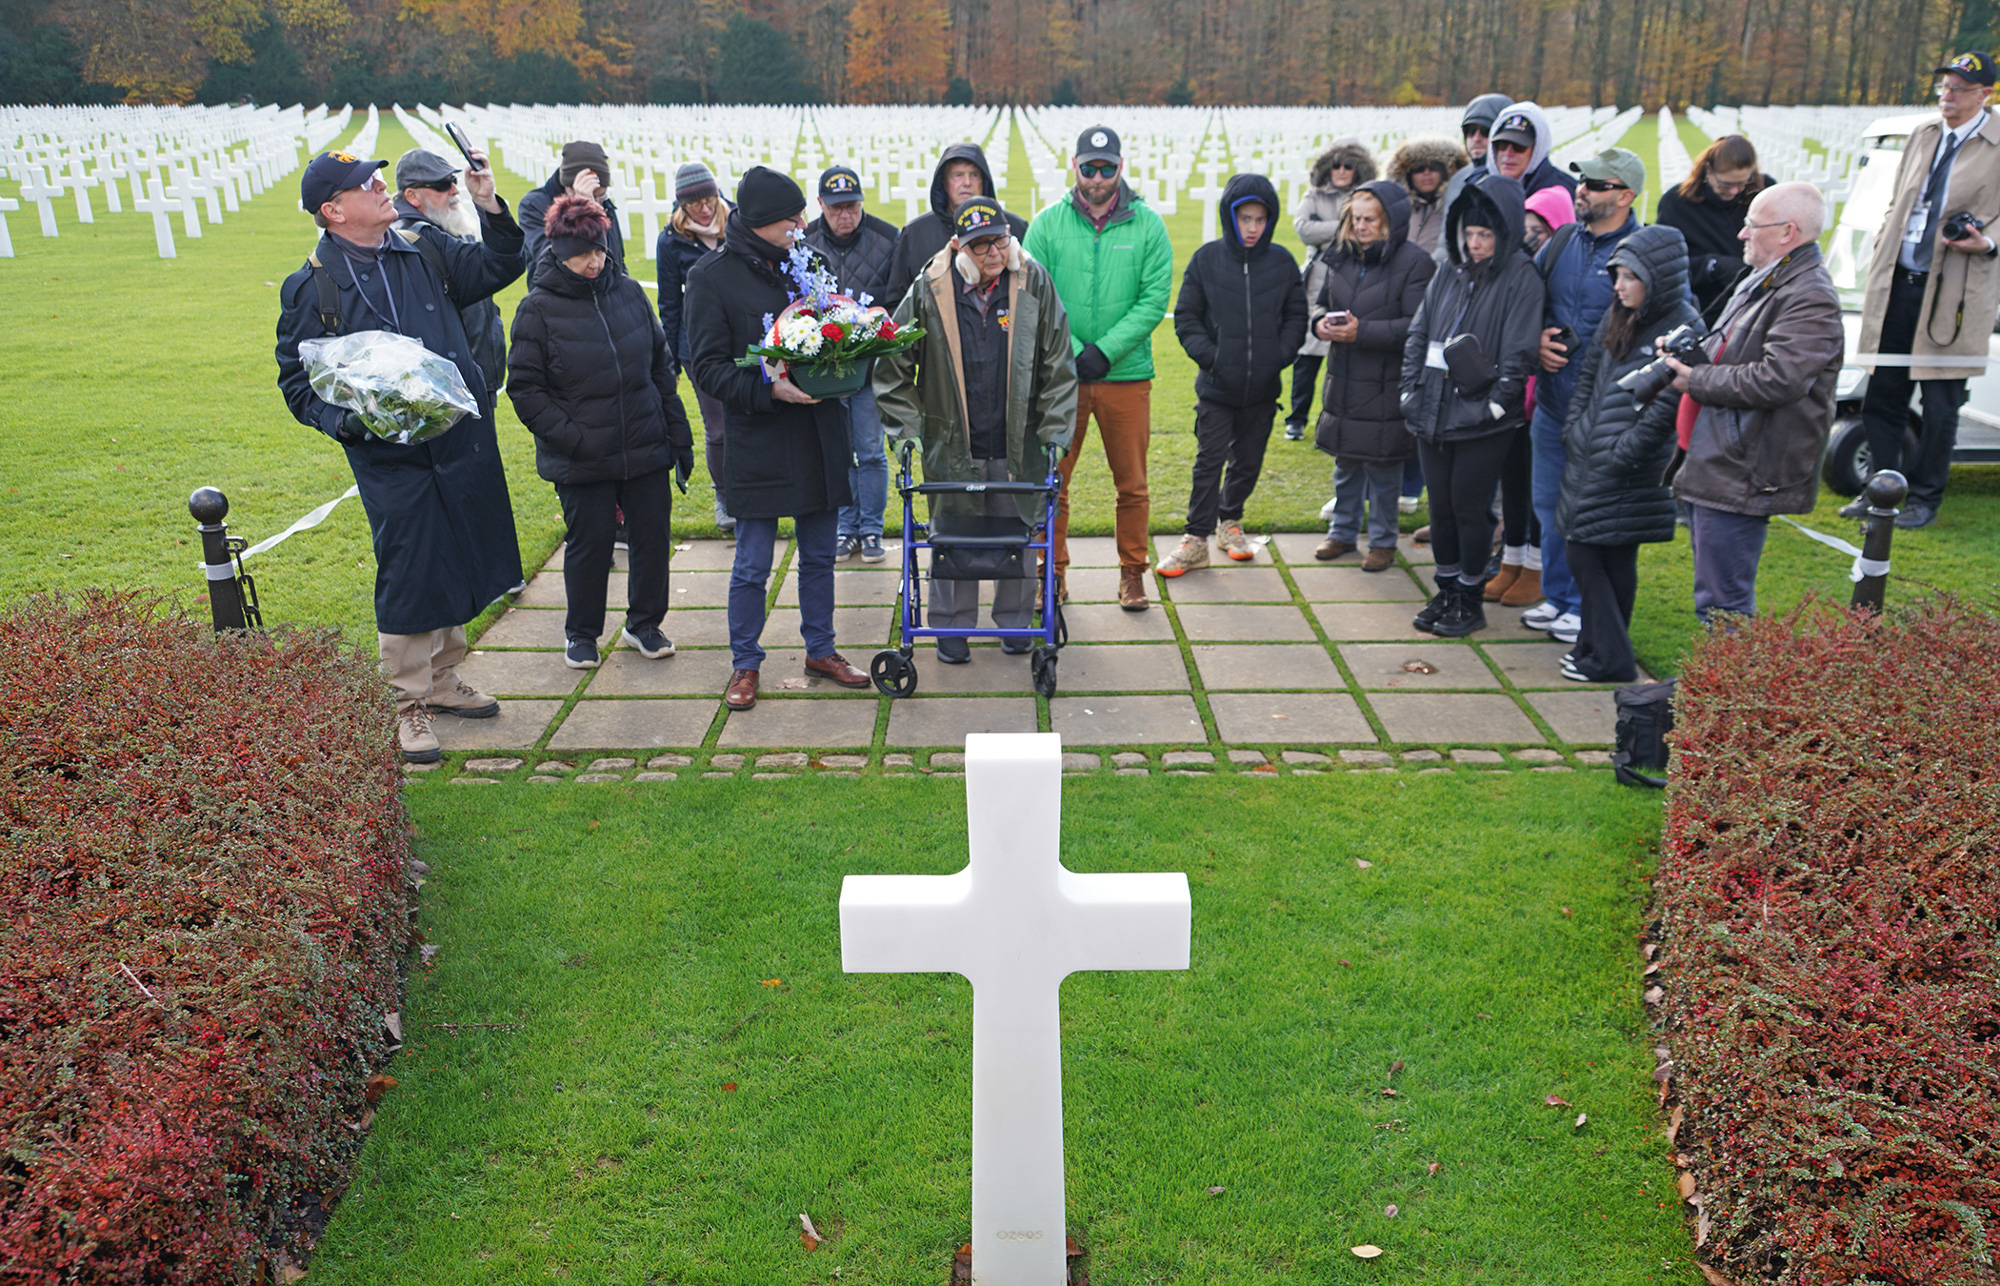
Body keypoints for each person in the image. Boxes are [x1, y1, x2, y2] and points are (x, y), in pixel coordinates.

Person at [275, 149, 527, 763]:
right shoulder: (314, 285)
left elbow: (501, 262)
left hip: (458, 439)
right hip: (390, 456)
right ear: (333, 211)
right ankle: (405, 702)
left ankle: (443, 680)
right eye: (368, 183)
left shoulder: (425, 249)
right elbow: (298, 382)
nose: (383, 186)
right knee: (412, 568)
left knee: (461, 550)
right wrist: (352, 426)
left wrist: (488, 201)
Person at [682, 167, 872, 710]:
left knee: (819, 556)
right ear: (763, 223)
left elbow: (836, 327)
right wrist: (772, 391)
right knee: (751, 563)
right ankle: (745, 663)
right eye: (793, 218)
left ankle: (822, 649)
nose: (803, 224)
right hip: (761, 435)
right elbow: (710, 369)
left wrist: (849, 357)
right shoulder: (710, 277)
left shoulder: (810, 262)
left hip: (818, 432)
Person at [875, 197, 1079, 661]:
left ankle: (1015, 626)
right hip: (951, 440)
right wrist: (907, 433)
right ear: (958, 247)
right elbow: (893, 366)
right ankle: (950, 630)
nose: (993, 254)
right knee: (952, 537)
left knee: (1020, 534)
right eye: (981, 245)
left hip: (1018, 439)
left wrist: (1054, 433)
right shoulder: (931, 287)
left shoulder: (1033, 282)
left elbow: (1058, 366)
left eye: (1000, 241)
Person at [506, 195, 695, 670]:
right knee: (590, 545)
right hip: (584, 456)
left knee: (651, 538)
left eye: (599, 251)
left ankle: (644, 624)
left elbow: (660, 367)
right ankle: (582, 632)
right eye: (581, 254)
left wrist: (678, 435)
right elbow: (525, 390)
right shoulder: (537, 309)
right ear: (558, 253)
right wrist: (574, 439)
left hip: (645, 445)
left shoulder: (629, 292)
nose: (593, 262)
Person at [1664, 182, 1845, 622]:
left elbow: (1778, 379)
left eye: (1751, 225)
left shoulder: (1809, 295)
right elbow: (1733, 351)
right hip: (1720, 455)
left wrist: (1697, 378)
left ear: (1787, 232)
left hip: (1744, 466)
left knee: (1724, 605)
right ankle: (1712, 686)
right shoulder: (1765, 276)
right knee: (1714, 595)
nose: (1741, 235)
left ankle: (1728, 690)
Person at [1025, 124, 1175, 611]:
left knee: (1131, 483)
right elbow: (1033, 292)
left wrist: (1105, 351)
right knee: (1054, 481)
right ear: (1075, 167)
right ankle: (1054, 573)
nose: (1096, 178)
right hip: (1062, 377)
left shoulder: (1148, 225)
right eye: (1088, 168)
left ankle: (1132, 574)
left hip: (1126, 374)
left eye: (1105, 168)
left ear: (1119, 168)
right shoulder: (1047, 224)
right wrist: (1071, 351)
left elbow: (1154, 299)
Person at [1851, 50, 2000, 529]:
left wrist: (1988, 241)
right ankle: (1881, 488)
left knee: (1940, 403)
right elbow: (1900, 201)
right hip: (1899, 281)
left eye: (1959, 89)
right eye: (1944, 87)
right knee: (1884, 393)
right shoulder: (1923, 135)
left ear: (1985, 95)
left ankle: (1925, 497)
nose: (1947, 97)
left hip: (1954, 289)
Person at [1400, 171, 1544, 638]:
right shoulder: (1449, 270)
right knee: (1439, 508)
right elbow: (1420, 332)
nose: (1476, 243)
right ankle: (1446, 588)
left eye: (1485, 234)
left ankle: (1469, 595)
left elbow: (1520, 349)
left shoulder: (1521, 276)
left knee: (1469, 508)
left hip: (1483, 418)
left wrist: (1497, 406)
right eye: (1469, 233)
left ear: (1502, 234)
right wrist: (1409, 389)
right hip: (1433, 409)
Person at [1554, 225, 1699, 683]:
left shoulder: (1685, 326)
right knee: (1605, 557)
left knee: (1590, 554)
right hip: (1591, 453)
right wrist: (1576, 429)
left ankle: (1612, 658)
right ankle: (1593, 648)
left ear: (1656, 278)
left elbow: (1670, 404)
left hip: (1627, 465)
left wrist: (1622, 452)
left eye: (1628, 277)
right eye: (1615, 275)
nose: (1618, 285)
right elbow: (1587, 378)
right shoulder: (1619, 314)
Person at [1526, 147, 1646, 645]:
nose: (1583, 190)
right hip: (1553, 403)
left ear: (1625, 195)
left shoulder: (1642, 252)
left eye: (1596, 184)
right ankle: (1556, 596)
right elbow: (1525, 299)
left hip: (1604, 412)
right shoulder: (1559, 245)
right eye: (1583, 182)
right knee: (1548, 503)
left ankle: (1582, 605)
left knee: (1590, 513)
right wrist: (1534, 340)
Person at [1159, 175, 1308, 576]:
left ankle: (1230, 523)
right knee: (1208, 461)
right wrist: (1213, 358)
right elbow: (1187, 317)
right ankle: (1195, 540)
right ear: (1231, 217)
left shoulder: (1281, 262)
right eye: (1245, 218)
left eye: (1260, 219)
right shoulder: (1207, 259)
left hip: (1262, 388)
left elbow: (1297, 316)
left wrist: (1277, 356)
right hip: (1216, 387)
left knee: (1248, 460)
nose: (1253, 227)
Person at [1307, 181, 1435, 569]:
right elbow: (1322, 303)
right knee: (1346, 463)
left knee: (1383, 467)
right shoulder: (1341, 256)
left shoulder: (1414, 262)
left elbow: (1417, 326)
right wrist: (1319, 325)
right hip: (1345, 377)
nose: (1361, 226)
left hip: (1387, 380)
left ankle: (1382, 541)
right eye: (1356, 219)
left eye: (1370, 220)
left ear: (1389, 223)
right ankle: (1342, 534)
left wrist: (1363, 332)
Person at [1484, 183, 1579, 607]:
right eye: (1525, 229)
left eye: (1539, 230)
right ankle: (1513, 559)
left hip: (1544, 395)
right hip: (1513, 392)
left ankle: (1539, 568)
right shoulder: (1517, 269)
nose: (1529, 238)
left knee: (1541, 488)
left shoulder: (1558, 271)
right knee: (1515, 485)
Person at [804, 165, 898, 563]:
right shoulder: (804, 241)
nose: (846, 215)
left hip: (868, 368)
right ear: (822, 206)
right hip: (824, 371)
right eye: (837, 208)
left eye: (853, 206)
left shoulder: (888, 239)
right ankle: (847, 527)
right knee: (838, 451)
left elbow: (896, 297)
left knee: (871, 450)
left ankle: (872, 528)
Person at [656, 161, 736, 534]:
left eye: (709, 199)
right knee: (717, 428)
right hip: (697, 346)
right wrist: (669, 360)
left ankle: (752, 488)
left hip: (741, 338)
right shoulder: (670, 241)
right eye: (695, 204)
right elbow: (669, 305)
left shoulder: (736, 223)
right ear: (681, 205)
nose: (705, 209)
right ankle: (725, 496)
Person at [392, 148, 507, 395]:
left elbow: (501, 266)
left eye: (453, 181)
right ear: (412, 195)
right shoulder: (405, 243)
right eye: (443, 185)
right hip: (447, 384)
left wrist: (487, 202)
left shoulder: (449, 222)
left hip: (478, 369)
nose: (455, 190)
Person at [1285, 139, 1378, 440]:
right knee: (1309, 351)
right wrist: (1344, 227)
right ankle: (1296, 418)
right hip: (1316, 279)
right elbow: (1303, 229)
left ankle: (1337, 418)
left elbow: (1368, 233)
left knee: (1344, 350)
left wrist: (1325, 228)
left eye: (1348, 165)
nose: (1341, 170)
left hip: (1353, 277)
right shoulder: (1314, 195)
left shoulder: (1365, 196)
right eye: (1336, 165)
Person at [883, 142, 1028, 311]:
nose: (967, 182)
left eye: (974, 175)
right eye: (958, 175)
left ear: (984, 181)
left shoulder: (1014, 228)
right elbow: (897, 303)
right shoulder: (916, 234)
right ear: (943, 182)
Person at [1655, 135, 1773, 324]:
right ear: (1708, 170)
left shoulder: (1765, 193)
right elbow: (1664, 265)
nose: (1735, 191)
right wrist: (1712, 266)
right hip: (1702, 310)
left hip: (1759, 306)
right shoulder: (1676, 203)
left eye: (1742, 183)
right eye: (1726, 184)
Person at [520, 141, 623, 289]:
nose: (598, 203)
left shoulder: (603, 203)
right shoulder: (533, 206)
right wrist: (583, 212)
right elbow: (551, 261)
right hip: (557, 301)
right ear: (568, 187)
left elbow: (617, 258)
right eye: (595, 197)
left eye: (601, 196)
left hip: (608, 297)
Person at [1389, 135, 1469, 257]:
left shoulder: (1456, 208)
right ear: (1407, 173)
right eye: (1418, 168)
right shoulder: (1396, 211)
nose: (1426, 173)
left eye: (1435, 167)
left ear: (1448, 171)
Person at [1487, 103, 1579, 200]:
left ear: (1537, 150)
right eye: (1502, 145)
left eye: (1518, 146)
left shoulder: (1567, 192)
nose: (1508, 153)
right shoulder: (1479, 187)